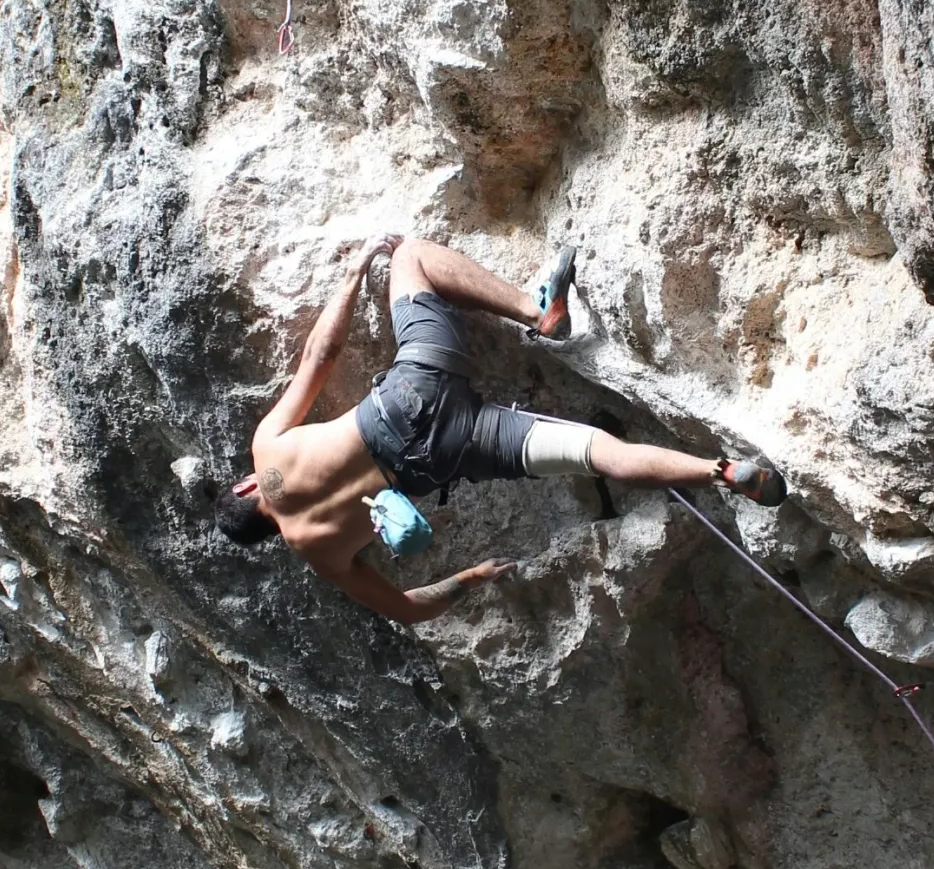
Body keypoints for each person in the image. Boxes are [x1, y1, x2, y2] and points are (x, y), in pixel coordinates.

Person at [216, 234, 784, 621]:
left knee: (595, 452)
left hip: (450, 452)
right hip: (411, 395)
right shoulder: (266, 454)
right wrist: (355, 270)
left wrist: (473, 576)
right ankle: (537, 311)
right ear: (245, 488)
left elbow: (408, 609)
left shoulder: (322, 557)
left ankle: (721, 471)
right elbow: (320, 356)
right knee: (411, 255)